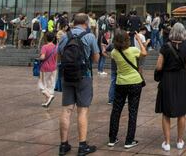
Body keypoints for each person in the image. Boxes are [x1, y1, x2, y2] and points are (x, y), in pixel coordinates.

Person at [58, 13, 100, 156]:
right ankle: (82, 145)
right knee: (82, 110)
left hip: (67, 76)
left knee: (66, 110)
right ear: (86, 23)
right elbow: (95, 58)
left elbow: (59, 56)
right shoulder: (90, 37)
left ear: (73, 22)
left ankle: (63, 145)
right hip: (84, 76)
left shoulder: (64, 36)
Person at [155, 23, 186, 152]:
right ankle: (180, 140)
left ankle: (167, 142)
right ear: (183, 33)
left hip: (167, 79)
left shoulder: (165, 47)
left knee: (166, 112)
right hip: (181, 79)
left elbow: (159, 66)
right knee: (181, 112)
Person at [108, 29, 147, 149]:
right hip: (135, 82)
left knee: (116, 111)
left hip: (120, 83)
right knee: (133, 111)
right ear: (127, 39)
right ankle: (129, 140)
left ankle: (112, 138)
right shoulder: (133, 50)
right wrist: (139, 40)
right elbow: (144, 53)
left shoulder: (114, 52)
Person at [38, 32, 58, 108]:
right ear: (53, 39)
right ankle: (47, 101)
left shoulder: (45, 47)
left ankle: (49, 97)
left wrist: (39, 58)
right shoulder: (56, 47)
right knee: (50, 84)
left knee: (42, 85)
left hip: (45, 68)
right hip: (53, 68)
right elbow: (57, 58)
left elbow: (43, 57)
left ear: (46, 38)